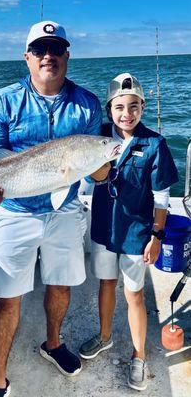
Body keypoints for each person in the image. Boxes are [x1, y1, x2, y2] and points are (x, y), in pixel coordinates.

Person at [0, 20, 103, 397]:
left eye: (56, 49)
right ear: (27, 57)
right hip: (15, 209)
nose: (48, 56)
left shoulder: (88, 104)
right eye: (39, 50)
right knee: (8, 295)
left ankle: (53, 343)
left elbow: (98, 171)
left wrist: (101, 167)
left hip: (64, 208)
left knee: (60, 284)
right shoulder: (3, 101)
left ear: (67, 55)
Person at [79, 73, 179, 391]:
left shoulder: (154, 144)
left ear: (142, 107)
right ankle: (105, 337)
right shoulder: (97, 136)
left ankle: (139, 356)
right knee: (106, 283)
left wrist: (157, 236)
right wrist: (99, 167)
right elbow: (92, 177)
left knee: (134, 293)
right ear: (110, 109)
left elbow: (162, 198)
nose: (127, 114)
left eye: (134, 106)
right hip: (104, 229)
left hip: (136, 232)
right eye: (120, 107)